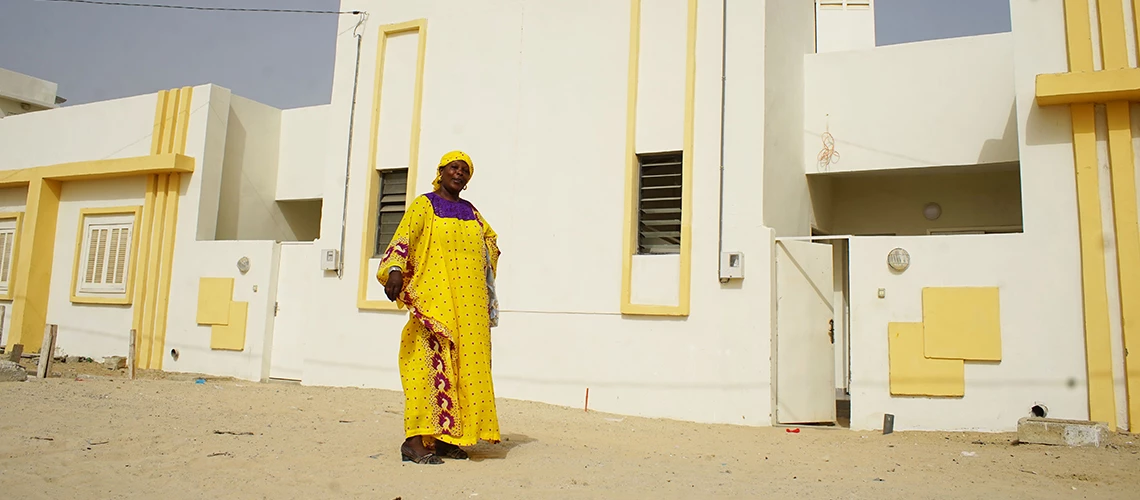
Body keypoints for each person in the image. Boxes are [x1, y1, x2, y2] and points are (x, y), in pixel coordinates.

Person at [376, 150, 501, 465]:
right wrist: (395, 271)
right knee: (426, 369)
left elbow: (491, 241)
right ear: (441, 171)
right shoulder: (424, 205)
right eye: (454, 168)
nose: (459, 174)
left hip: (469, 307)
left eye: (465, 171)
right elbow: (404, 238)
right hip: (435, 303)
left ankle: (447, 438)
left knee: (466, 369)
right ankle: (415, 441)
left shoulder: (472, 212)